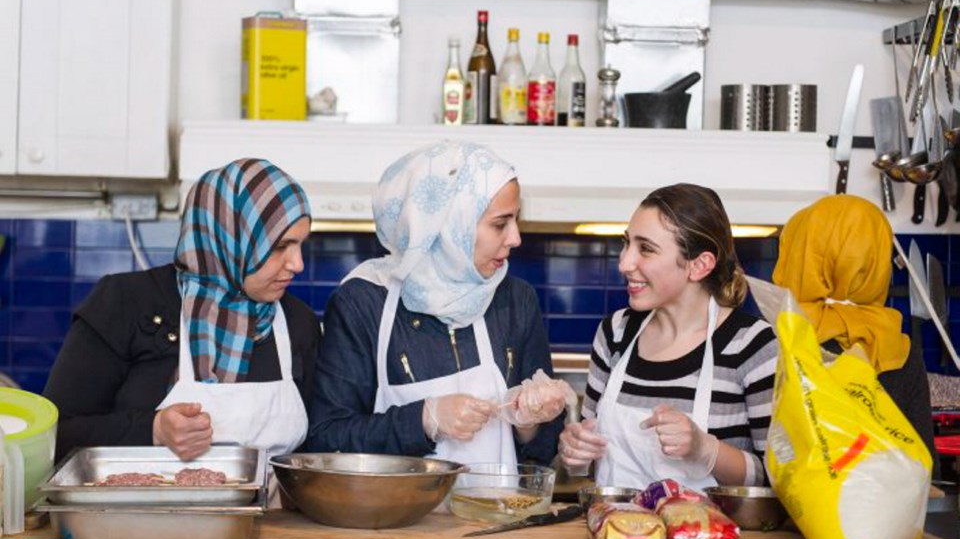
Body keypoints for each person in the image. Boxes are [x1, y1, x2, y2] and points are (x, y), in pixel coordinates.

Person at [307, 140, 567, 466]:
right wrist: (424, 420)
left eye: (516, 220)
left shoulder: (516, 300)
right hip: (397, 515)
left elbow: (542, 452)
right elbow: (326, 437)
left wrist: (531, 422)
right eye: (500, 224)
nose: (515, 238)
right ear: (444, 225)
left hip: (497, 514)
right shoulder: (363, 303)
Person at [44, 158, 319, 465]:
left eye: (301, 245)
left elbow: (315, 448)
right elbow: (53, 435)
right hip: (139, 512)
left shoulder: (298, 324)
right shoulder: (127, 302)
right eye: (281, 246)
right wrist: (153, 430)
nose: (297, 264)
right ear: (229, 238)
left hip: (268, 514)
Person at [559, 183, 778, 490]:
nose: (624, 263)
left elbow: (777, 480)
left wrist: (706, 450)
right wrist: (576, 451)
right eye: (627, 244)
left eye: (645, 249)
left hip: (709, 536)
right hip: (616, 533)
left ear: (699, 265)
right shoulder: (615, 333)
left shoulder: (752, 346)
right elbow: (589, 458)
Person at [771, 194, 938, 476]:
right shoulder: (896, 344)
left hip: (797, 511)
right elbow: (924, 463)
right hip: (885, 511)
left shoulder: (780, 335)